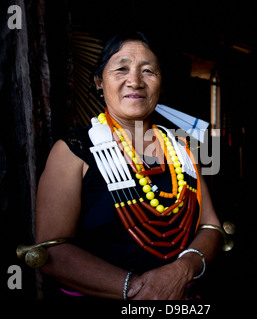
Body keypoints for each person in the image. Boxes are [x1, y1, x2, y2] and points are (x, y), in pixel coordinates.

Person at [35, 31, 222, 300]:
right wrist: (140, 289)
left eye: (148, 71)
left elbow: (211, 227)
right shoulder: (73, 150)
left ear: (160, 82)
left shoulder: (182, 149)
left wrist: (181, 270)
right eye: (121, 69)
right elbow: (52, 250)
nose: (135, 81)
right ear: (99, 81)